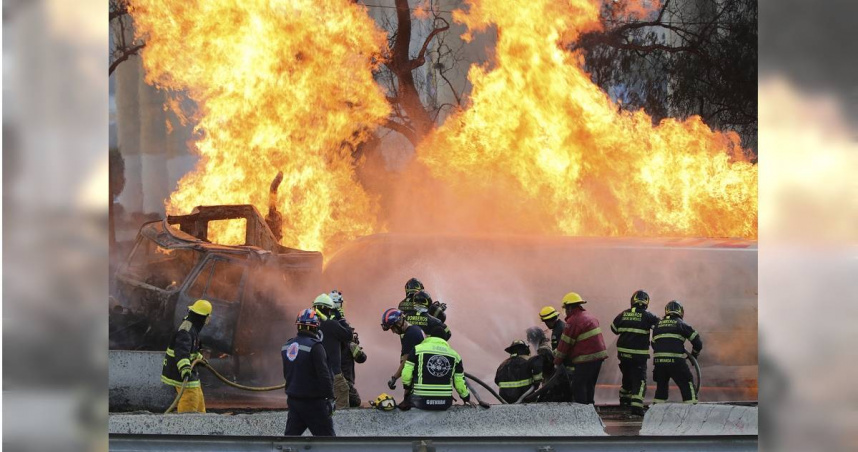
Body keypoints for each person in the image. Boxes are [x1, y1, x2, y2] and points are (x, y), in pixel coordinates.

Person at [282, 308, 336, 436]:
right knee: (328, 443)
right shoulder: (315, 346)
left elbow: (287, 373)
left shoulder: (286, 346)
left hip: (294, 402)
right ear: (315, 327)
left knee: (290, 441)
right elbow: (324, 375)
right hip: (314, 404)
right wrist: (330, 398)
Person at [401, 325, 475, 410]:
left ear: (430, 337)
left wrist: (407, 392)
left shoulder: (417, 350)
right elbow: (459, 382)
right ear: (444, 340)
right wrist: (466, 398)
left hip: (420, 401)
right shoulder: (455, 356)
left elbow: (406, 374)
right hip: (444, 403)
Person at [610, 290, 660, 415]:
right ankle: (637, 407)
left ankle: (624, 401)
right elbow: (661, 326)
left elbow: (614, 329)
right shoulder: (648, 316)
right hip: (638, 357)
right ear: (646, 302)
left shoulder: (623, 314)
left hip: (623, 356)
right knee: (639, 380)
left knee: (626, 378)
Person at [553, 292, 608, 404]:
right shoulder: (589, 316)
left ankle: (582, 411)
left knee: (578, 386)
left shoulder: (573, 321)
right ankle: (590, 409)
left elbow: (565, 344)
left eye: (566, 308)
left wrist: (556, 362)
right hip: (598, 358)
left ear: (570, 307)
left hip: (586, 359)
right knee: (589, 384)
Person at [161, 299, 212, 413]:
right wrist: (184, 368)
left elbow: (191, 350)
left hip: (189, 371)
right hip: (180, 372)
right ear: (205, 318)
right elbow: (182, 352)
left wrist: (199, 358)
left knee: (197, 397)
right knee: (190, 398)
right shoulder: (186, 330)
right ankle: (185, 425)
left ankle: (201, 424)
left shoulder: (192, 328)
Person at [651, 300, 703, 404]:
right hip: (676, 362)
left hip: (659, 363)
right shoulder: (681, 324)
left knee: (661, 389)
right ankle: (691, 411)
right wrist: (694, 354)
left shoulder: (657, 325)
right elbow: (697, 342)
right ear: (681, 312)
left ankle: (656, 413)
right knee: (687, 385)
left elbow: (653, 344)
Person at [312, 293, 352, 410]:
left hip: (313, 374)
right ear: (328, 309)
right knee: (340, 406)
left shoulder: (309, 325)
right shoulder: (332, 325)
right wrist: (341, 319)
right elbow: (348, 335)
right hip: (333, 375)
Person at [329, 290, 366, 408]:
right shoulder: (342, 327)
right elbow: (361, 358)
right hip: (343, 378)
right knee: (354, 401)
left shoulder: (324, 324)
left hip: (328, 376)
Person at [380, 308, 425, 400]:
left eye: (393, 327)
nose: (393, 331)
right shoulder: (415, 329)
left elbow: (406, 363)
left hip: (418, 380)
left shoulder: (410, 335)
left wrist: (394, 378)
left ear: (400, 322)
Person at [525, 326, 571, 402]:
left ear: (534, 339)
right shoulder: (545, 348)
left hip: (555, 386)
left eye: (530, 340)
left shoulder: (543, 350)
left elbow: (542, 368)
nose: (530, 342)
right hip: (553, 383)